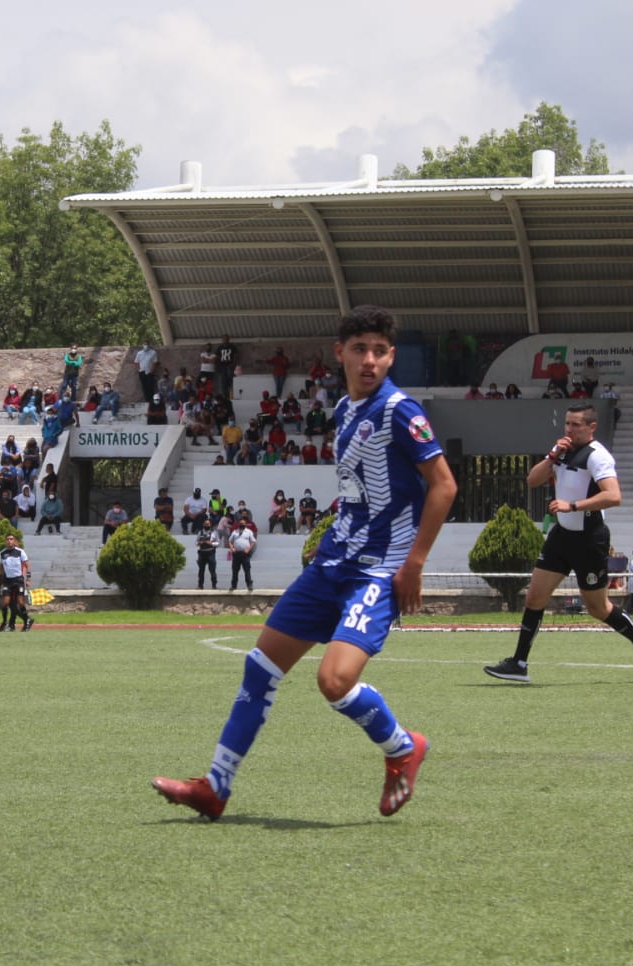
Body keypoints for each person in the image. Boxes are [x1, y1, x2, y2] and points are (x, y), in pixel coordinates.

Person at [152, 305, 456, 821]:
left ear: (391, 357)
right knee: (259, 667)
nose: (370, 360)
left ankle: (403, 748)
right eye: (360, 349)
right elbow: (359, 491)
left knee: (334, 682)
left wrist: (415, 562)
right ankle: (216, 787)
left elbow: (444, 485)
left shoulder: (401, 411)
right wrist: (331, 536)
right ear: (340, 354)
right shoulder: (343, 411)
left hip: (378, 571)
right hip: (332, 563)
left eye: (379, 351)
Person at [484, 402, 633, 684]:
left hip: (589, 539)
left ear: (591, 427)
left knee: (597, 608)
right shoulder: (562, 452)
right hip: (561, 536)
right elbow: (532, 480)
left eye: (576, 424)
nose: (569, 429)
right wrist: (553, 455)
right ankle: (518, 664)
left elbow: (614, 496)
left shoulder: (598, 456)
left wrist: (573, 505)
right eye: (567, 423)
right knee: (534, 598)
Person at [0, 533, 34, 632]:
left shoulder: (20, 552)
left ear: (14, 541)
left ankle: (26, 621)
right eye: (7, 539)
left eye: (11, 539)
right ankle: (5, 623)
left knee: (20, 602)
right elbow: (1, 568)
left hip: (18, 580)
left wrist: (28, 579)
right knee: (5, 603)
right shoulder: (2, 553)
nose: (9, 541)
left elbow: (27, 565)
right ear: (5, 541)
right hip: (8, 581)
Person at [227, 506, 257, 591]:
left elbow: (253, 541)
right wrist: (232, 548)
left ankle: (249, 585)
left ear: (245, 524)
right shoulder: (234, 532)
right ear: (239, 524)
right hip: (236, 554)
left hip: (245, 554)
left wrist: (248, 549)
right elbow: (230, 541)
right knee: (235, 571)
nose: (242, 524)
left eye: (243, 523)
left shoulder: (249, 532)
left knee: (247, 570)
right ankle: (233, 586)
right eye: (241, 523)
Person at [194, 514, 220, 590]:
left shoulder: (214, 533)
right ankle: (200, 585)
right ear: (203, 525)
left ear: (210, 524)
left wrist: (211, 543)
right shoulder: (200, 532)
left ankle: (214, 585)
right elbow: (196, 542)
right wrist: (200, 543)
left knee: (212, 570)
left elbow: (218, 543)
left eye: (208, 524)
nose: (206, 525)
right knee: (201, 570)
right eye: (205, 524)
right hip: (202, 553)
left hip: (210, 553)